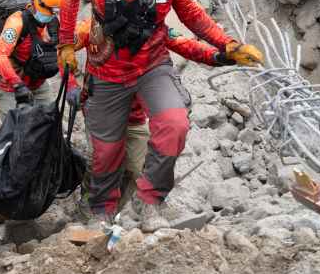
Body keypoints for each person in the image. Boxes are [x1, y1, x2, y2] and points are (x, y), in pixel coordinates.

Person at [57, 0, 264, 229]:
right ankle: (100, 210)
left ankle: (150, 201)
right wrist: (66, 43)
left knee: (174, 124)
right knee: (108, 152)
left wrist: (227, 44)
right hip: (106, 72)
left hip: (152, 65)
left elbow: (191, 14)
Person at [73, 19, 233, 221]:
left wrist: (217, 55)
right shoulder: (91, 28)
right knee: (101, 161)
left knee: (140, 170)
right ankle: (89, 204)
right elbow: (65, 49)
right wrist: (71, 85)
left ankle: (121, 212)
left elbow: (184, 43)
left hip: (135, 118)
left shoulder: (152, 26)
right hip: (102, 112)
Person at [0, 0, 76, 120]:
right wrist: (17, 85)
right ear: (34, 2)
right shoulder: (16, 22)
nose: (51, 14)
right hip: (12, 87)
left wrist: (71, 86)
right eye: (48, 10)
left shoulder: (52, 23)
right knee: (15, 130)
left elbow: (62, 53)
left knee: (49, 123)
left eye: (55, 10)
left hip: (38, 83)